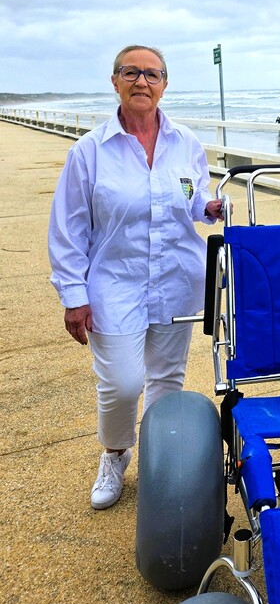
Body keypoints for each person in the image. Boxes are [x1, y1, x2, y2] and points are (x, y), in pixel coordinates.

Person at [48, 44, 224, 510]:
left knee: (168, 379)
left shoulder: (185, 143)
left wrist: (205, 207)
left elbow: (191, 193)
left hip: (176, 280)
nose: (141, 81)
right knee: (122, 382)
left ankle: (160, 460)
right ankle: (115, 452)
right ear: (115, 81)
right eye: (131, 73)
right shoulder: (89, 152)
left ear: (165, 84)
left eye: (152, 74)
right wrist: (73, 294)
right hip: (114, 282)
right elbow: (68, 229)